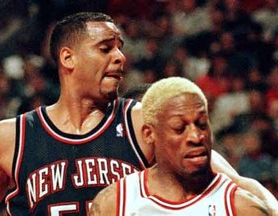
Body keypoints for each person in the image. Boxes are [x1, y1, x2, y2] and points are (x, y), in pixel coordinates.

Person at [0, 12, 277, 215]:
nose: (120, 57)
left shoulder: (143, 121)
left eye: (120, 48)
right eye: (105, 48)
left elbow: (236, 184)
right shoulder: (12, 137)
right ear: (68, 58)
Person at [90, 77, 270, 216]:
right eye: (179, 128)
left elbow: (242, 183)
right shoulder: (115, 200)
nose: (195, 136)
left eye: (201, 124)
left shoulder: (238, 203)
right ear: (148, 133)